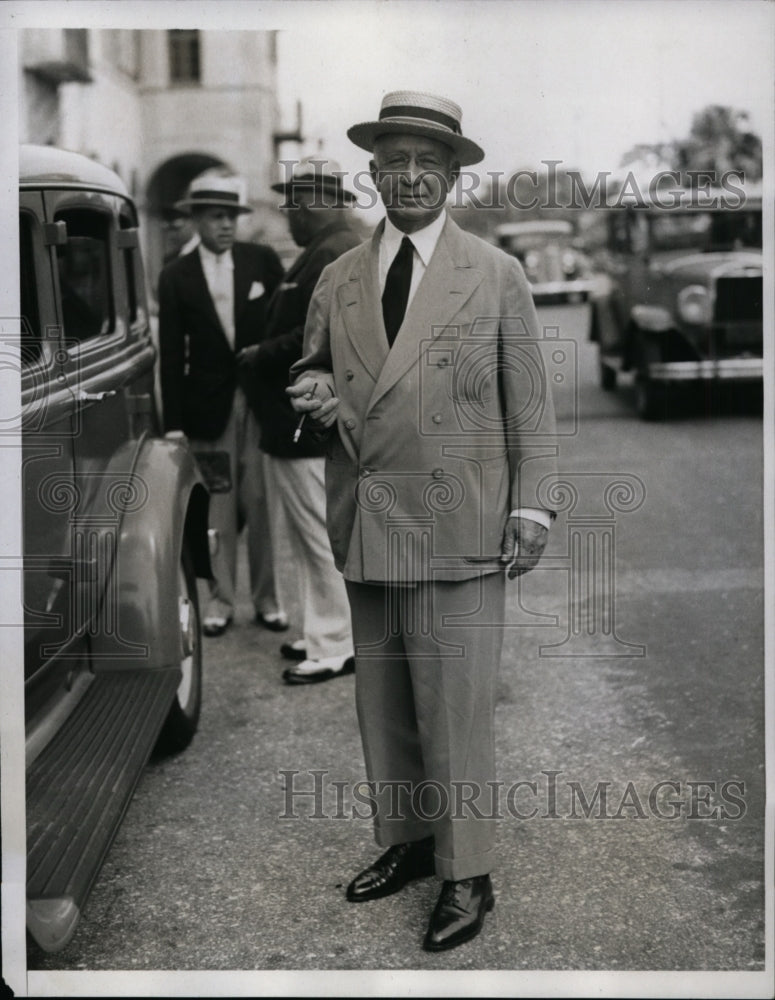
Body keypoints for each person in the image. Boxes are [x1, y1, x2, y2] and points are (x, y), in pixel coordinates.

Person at [289, 90, 558, 951]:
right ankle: (408, 843)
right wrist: (316, 390)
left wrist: (532, 503)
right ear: (372, 175)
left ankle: (466, 871)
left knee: (456, 707)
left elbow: (532, 403)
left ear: (451, 176)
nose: (409, 176)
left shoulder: (495, 273)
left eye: (427, 164)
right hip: (367, 515)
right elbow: (310, 368)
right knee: (385, 701)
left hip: (462, 521)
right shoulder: (337, 278)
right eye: (394, 162)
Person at [238, 157, 361, 684]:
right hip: (294, 424)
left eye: (293, 202)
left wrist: (259, 354)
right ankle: (322, 631)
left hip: (308, 425)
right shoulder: (326, 248)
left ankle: (335, 644)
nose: (288, 213)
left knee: (318, 537)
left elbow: (320, 339)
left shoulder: (335, 250)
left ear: (316, 202)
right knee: (310, 536)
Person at [158, 174, 288, 637]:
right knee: (217, 506)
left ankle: (269, 599)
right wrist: (173, 424)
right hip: (207, 409)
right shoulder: (175, 274)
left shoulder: (262, 260)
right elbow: (171, 355)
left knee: (262, 501)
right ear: (195, 220)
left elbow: (285, 326)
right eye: (216, 217)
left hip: (261, 403)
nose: (227, 225)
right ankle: (220, 600)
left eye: (232, 216)